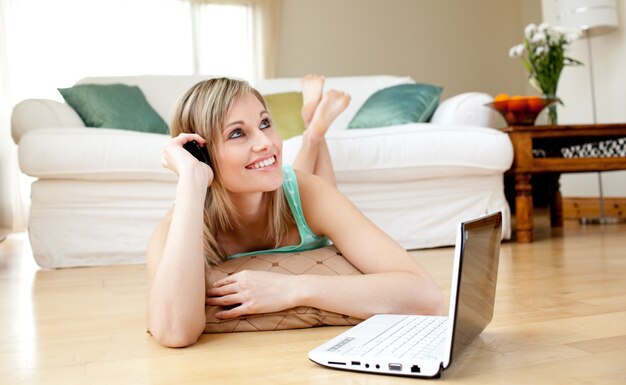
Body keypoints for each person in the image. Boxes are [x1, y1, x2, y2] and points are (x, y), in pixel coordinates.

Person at [146, 75, 443, 348]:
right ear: (200, 152)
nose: (267, 143)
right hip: (247, 191)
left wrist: (293, 288)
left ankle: (314, 133)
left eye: (264, 124)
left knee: (313, 184)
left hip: (294, 194)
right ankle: (313, 130)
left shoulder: (306, 191)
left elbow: (426, 296)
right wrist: (191, 179)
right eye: (237, 133)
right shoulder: (180, 222)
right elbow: (174, 331)